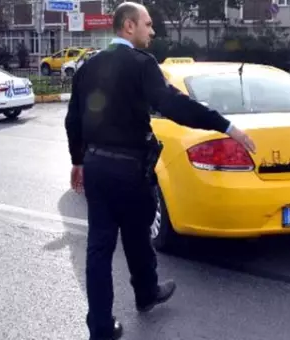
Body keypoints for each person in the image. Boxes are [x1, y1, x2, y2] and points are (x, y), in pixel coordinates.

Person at [64, 2, 256, 339]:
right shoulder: (142, 64)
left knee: (99, 247)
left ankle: (100, 328)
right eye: (148, 25)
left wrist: (78, 161)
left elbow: (73, 119)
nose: (153, 31)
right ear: (128, 27)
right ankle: (146, 293)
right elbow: (173, 104)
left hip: (96, 167)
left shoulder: (88, 66)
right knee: (138, 235)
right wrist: (224, 124)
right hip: (129, 169)